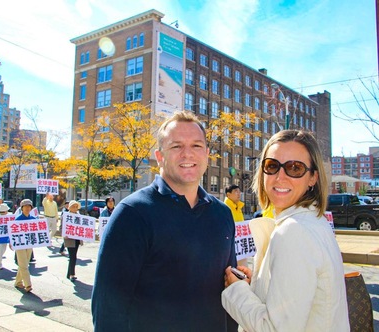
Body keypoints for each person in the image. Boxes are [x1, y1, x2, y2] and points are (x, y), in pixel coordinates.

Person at [92, 111, 237, 331]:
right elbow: (108, 309)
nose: (187, 154)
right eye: (176, 146)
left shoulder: (223, 214)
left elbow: (229, 291)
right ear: (160, 157)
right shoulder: (132, 214)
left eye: (196, 146)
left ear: (207, 154)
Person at [222, 130, 349, 331]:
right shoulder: (314, 222)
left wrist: (236, 290)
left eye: (295, 168)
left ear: (313, 178)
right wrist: (254, 285)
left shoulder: (294, 232)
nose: (280, 177)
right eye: (272, 166)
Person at [14, 199, 36, 293]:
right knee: (24, 265)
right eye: (25, 206)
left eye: (29, 206)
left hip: (29, 244)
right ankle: (28, 284)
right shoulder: (18, 219)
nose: (27, 208)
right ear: (21, 208)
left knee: (24, 264)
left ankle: (18, 282)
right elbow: (13, 233)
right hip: (20, 245)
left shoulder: (34, 219)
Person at [64, 200, 83, 281]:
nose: (75, 208)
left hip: (77, 239)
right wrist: (65, 235)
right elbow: (62, 227)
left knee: (74, 256)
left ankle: (69, 273)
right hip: (69, 239)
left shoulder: (79, 216)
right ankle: (72, 274)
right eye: (73, 206)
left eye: (76, 206)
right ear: (69, 207)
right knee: (73, 257)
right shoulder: (66, 216)